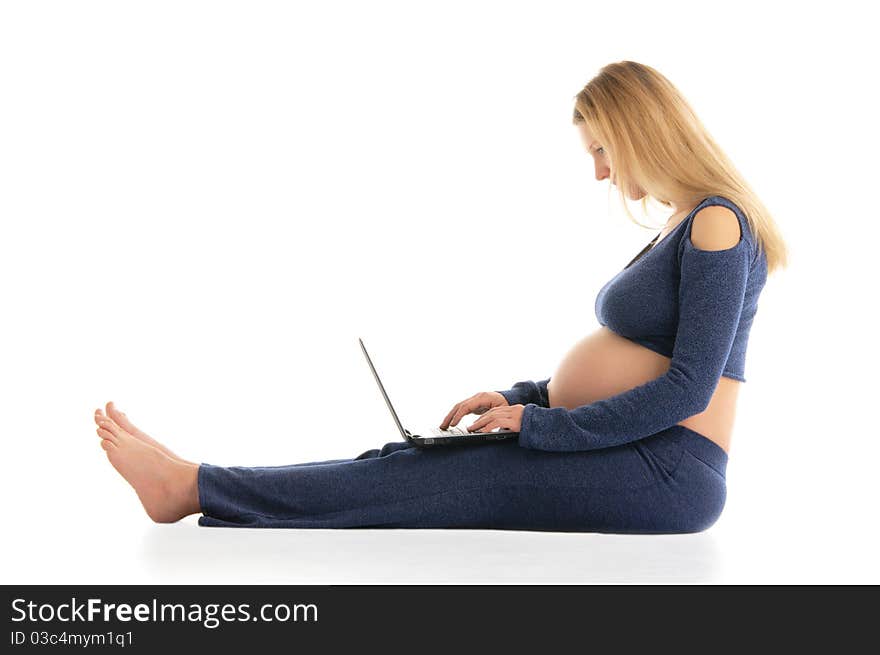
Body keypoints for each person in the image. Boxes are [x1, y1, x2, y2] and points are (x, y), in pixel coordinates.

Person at [93, 60, 788, 533]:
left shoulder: (718, 223)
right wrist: (523, 397)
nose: (601, 171)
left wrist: (537, 426)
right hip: (639, 453)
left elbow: (689, 388)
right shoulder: (686, 224)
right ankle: (206, 488)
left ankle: (193, 487)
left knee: (460, 479)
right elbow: (640, 361)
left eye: (603, 149)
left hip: (670, 470)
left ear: (642, 132)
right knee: (417, 463)